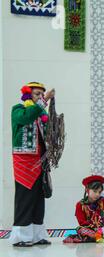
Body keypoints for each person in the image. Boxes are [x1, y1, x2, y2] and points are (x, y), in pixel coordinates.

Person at [9, 82, 55, 247]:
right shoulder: (18, 110)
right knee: (25, 198)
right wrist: (44, 102)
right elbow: (25, 118)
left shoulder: (41, 114)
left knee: (38, 198)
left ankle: (37, 235)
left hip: (40, 161)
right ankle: (21, 236)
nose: (40, 98)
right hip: (24, 162)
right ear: (28, 95)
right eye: (37, 94)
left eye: (42, 95)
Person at [64, 175, 104, 243]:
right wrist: (95, 228)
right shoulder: (80, 205)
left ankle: (98, 237)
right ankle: (101, 237)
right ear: (87, 190)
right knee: (81, 230)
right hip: (91, 230)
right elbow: (81, 222)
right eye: (95, 191)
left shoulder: (102, 201)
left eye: (99, 192)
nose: (97, 194)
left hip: (103, 230)